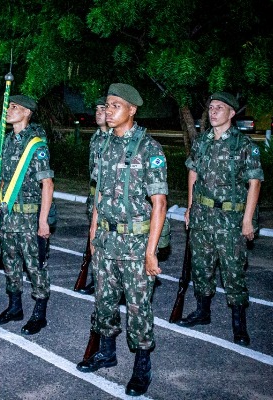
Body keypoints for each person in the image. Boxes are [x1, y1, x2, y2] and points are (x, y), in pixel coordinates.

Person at [76, 83, 168, 397]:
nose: (109, 110)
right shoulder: (103, 146)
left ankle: (142, 367)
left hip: (136, 243)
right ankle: (106, 352)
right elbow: (99, 195)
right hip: (105, 239)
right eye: (107, 104)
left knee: (138, 307)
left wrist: (151, 252)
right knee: (104, 301)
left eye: (116, 105)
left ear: (132, 109)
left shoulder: (149, 148)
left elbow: (159, 203)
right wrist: (93, 234)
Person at [179, 92, 263, 347]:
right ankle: (202, 312)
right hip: (202, 216)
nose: (213, 112)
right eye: (211, 107)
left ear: (232, 113)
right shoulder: (202, 141)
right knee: (201, 267)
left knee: (233, 271)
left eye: (219, 108)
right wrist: (190, 208)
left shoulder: (244, 145)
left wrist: (247, 220)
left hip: (230, 219)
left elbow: (254, 183)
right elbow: (193, 173)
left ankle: (239, 325)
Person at [0, 95, 55, 336]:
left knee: (35, 266)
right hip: (8, 217)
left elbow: (47, 184)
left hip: (29, 218)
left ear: (27, 112)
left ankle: (39, 314)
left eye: (15, 107)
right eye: (9, 106)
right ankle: (14, 307)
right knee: (10, 263)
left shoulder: (36, 144)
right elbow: (2, 178)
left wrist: (43, 221)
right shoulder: (6, 141)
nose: (9, 109)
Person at [74, 96, 109, 295]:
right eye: (96, 110)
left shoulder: (116, 138)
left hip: (110, 200)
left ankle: (108, 283)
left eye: (103, 109)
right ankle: (97, 279)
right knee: (95, 241)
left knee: (109, 243)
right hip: (94, 198)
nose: (99, 113)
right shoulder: (95, 138)